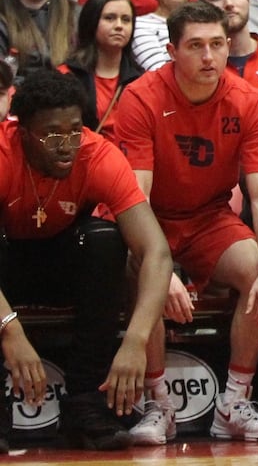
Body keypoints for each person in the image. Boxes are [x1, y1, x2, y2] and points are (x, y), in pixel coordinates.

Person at [115, 0, 258, 445]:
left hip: (210, 216)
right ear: (171, 51)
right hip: (152, 217)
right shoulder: (140, 97)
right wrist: (163, 270)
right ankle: (158, 404)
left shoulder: (247, 100)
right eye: (195, 46)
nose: (209, 57)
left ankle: (233, 402)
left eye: (217, 44)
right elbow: (137, 197)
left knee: (255, 267)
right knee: (143, 274)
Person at [0, 69, 172, 451]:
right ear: (22, 132)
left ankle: (85, 405)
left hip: (61, 262)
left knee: (106, 242)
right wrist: (9, 330)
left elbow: (156, 252)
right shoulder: (2, 153)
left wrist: (136, 340)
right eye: (51, 134)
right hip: (5, 266)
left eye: (74, 129)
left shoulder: (97, 154)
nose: (66, 144)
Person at [61, 0, 143, 133]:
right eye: (109, 18)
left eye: (126, 20)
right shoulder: (66, 76)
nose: (119, 26)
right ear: (91, 23)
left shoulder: (141, 80)